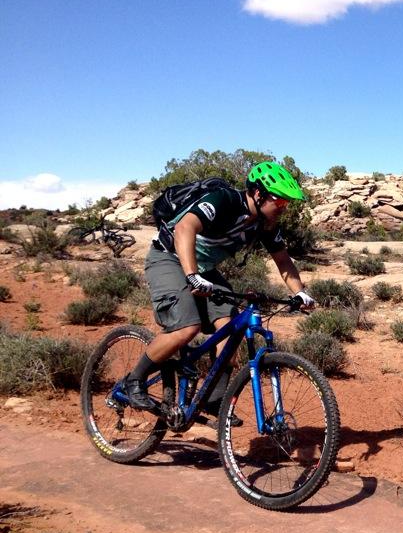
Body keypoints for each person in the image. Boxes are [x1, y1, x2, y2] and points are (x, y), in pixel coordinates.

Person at [125, 161, 317, 414]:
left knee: (229, 329)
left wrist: (299, 292)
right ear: (258, 194)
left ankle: (214, 400)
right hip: (168, 257)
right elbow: (185, 227)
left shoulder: (265, 224)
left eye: (287, 204)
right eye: (280, 202)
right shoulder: (224, 200)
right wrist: (191, 275)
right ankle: (133, 381)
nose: (283, 208)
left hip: (203, 270)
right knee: (186, 327)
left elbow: (283, 260)